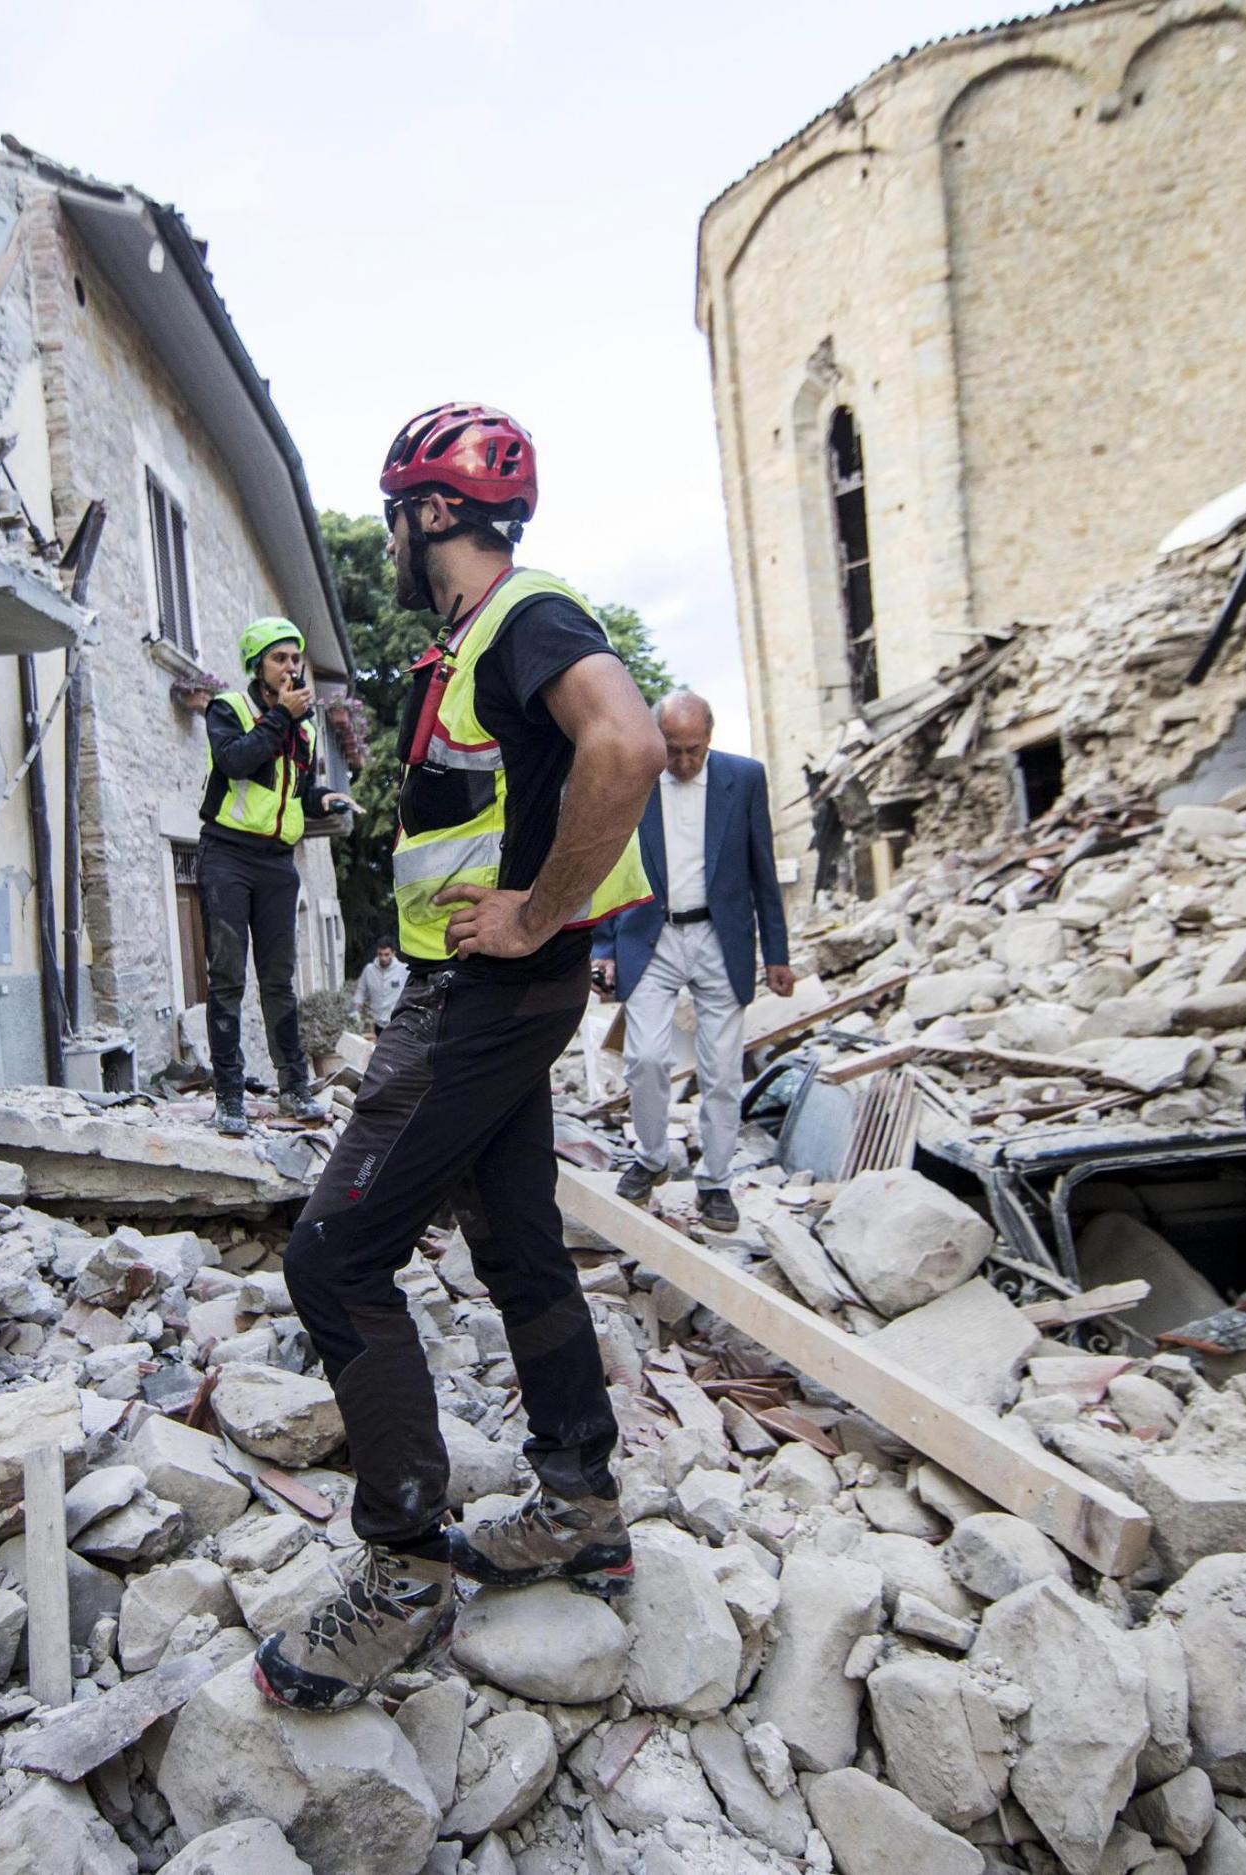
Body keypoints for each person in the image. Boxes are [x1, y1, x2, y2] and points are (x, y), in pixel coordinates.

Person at [254, 403, 663, 1712]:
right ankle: (581, 1500)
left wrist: (540, 912)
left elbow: (630, 743)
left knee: (334, 1254)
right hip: (501, 985)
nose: (384, 538)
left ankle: (402, 1561)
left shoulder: (526, 614)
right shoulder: (471, 649)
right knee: (519, 1240)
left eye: (390, 513)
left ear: (431, 514)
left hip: (486, 992)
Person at [593, 690, 793, 1231]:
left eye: (694, 750)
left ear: (711, 738)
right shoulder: (635, 779)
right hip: (650, 937)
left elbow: (762, 870)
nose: (683, 762)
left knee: (723, 1071)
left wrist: (777, 952)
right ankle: (653, 1158)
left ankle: (716, 1182)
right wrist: (604, 947)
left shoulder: (744, 779)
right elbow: (613, 865)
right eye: (673, 750)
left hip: (719, 937)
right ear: (658, 740)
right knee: (648, 1059)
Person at [199, 616, 351, 1134]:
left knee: (279, 981)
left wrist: (321, 797)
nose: (290, 667)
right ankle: (229, 1097)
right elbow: (237, 762)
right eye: (279, 658)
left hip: (278, 864)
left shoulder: (304, 730)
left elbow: (293, 789)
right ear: (257, 666)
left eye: (294, 658)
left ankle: (293, 1088)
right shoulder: (229, 709)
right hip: (227, 855)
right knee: (225, 979)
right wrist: (280, 719)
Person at [346, 933, 409, 1034]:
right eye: (380, 954)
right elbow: (360, 992)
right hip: (377, 1022)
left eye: (386, 954)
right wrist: (355, 1010)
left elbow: (413, 991)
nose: (383, 958)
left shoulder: (403, 970)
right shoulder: (369, 970)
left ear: (393, 953)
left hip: (397, 1022)